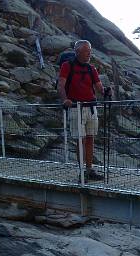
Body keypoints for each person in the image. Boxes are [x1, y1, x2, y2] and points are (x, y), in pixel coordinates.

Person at [58, 40, 105, 181]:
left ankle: (89, 170)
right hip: (76, 108)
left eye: (89, 51)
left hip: (91, 108)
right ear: (77, 52)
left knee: (90, 139)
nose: (89, 54)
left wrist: (106, 91)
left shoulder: (92, 69)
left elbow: (99, 87)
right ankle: (82, 171)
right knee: (81, 140)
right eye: (86, 51)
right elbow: (61, 85)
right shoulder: (67, 66)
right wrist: (65, 99)